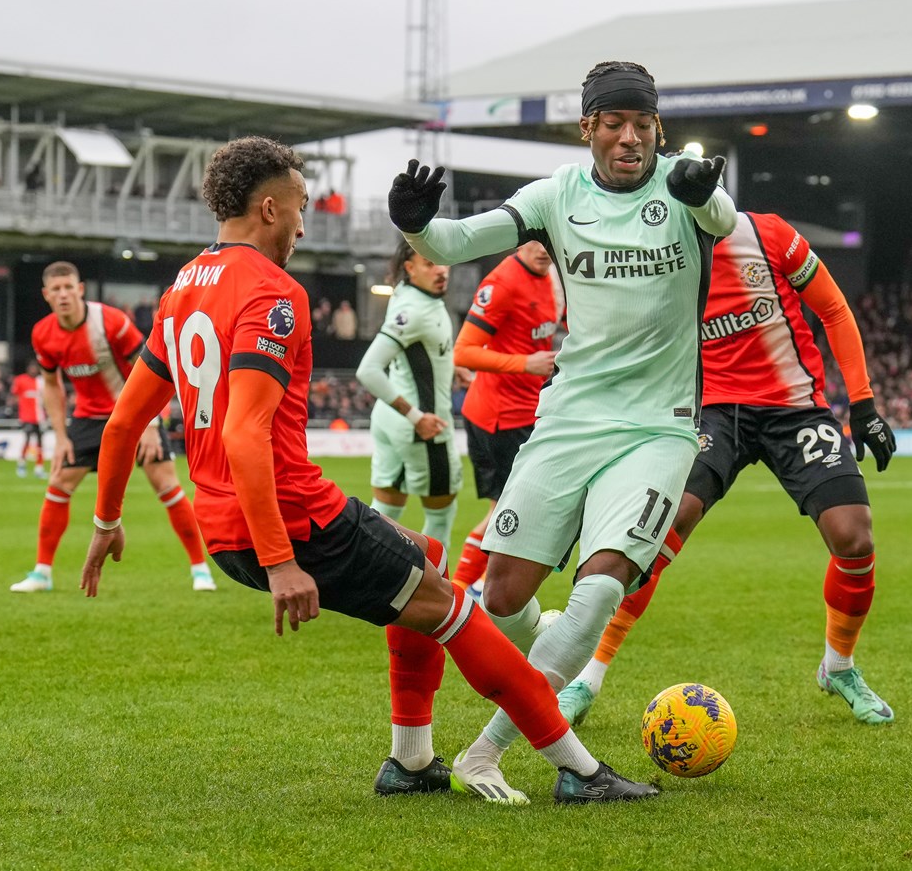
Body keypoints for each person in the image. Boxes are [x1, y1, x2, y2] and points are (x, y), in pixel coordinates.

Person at [79, 135, 655, 805]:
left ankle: (410, 761)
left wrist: (106, 519)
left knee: (426, 554)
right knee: (453, 610)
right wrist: (279, 561)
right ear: (267, 208)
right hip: (292, 522)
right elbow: (243, 433)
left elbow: (123, 423)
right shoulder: (273, 293)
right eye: (298, 208)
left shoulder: (183, 288)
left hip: (225, 527)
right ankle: (579, 772)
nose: (302, 223)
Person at [387, 60, 736, 799]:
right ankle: (552, 681)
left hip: (658, 428)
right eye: (613, 123)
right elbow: (452, 243)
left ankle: (495, 753)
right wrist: (414, 220)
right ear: (588, 129)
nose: (629, 137)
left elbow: (721, 219)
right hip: (569, 417)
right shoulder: (554, 196)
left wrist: (702, 193)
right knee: (503, 597)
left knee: (601, 588)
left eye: (641, 124)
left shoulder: (682, 184)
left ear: (656, 129)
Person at [557, 210, 899, 726]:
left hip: (794, 408)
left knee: (854, 537)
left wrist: (864, 402)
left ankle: (839, 665)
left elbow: (833, 309)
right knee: (661, 529)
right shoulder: (657, 253)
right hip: (710, 410)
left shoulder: (769, 233)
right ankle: (588, 675)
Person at [9, 260, 216, 594]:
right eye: (56, 290)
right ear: (47, 295)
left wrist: (150, 422)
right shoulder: (43, 334)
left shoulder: (112, 322)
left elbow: (149, 368)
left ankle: (200, 569)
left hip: (134, 414)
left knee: (166, 484)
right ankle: (42, 573)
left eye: (68, 287)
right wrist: (60, 437)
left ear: (79, 289)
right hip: (89, 418)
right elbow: (51, 385)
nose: (63, 295)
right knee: (59, 482)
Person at [450, 240, 558, 589]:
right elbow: (463, 352)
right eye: (534, 240)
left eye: (549, 240)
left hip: (525, 414)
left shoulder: (549, 278)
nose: (543, 248)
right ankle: (466, 590)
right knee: (512, 508)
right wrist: (524, 364)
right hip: (497, 419)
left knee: (518, 507)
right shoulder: (502, 284)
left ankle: (468, 590)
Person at [354, 243, 461, 556]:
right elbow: (368, 370)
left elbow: (422, 353)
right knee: (441, 516)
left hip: (388, 421)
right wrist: (417, 417)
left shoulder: (405, 293)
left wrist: (454, 369)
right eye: (429, 263)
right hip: (424, 427)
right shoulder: (414, 311)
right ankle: (432, 594)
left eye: (444, 261)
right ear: (410, 268)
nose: (440, 270)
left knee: (385, 512)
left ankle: (369, 582)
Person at [10, 359, 46, 478]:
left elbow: (46, 399)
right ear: (28, 369)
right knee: (27, 440)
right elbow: (15, 396)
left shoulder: (41, 381)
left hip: (40, 417)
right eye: (31, 368)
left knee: (40, 443)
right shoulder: (20, 380)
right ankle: (21, 464)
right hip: (26, 417)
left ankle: (39, 468)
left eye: (35, 368)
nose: (33, 370)